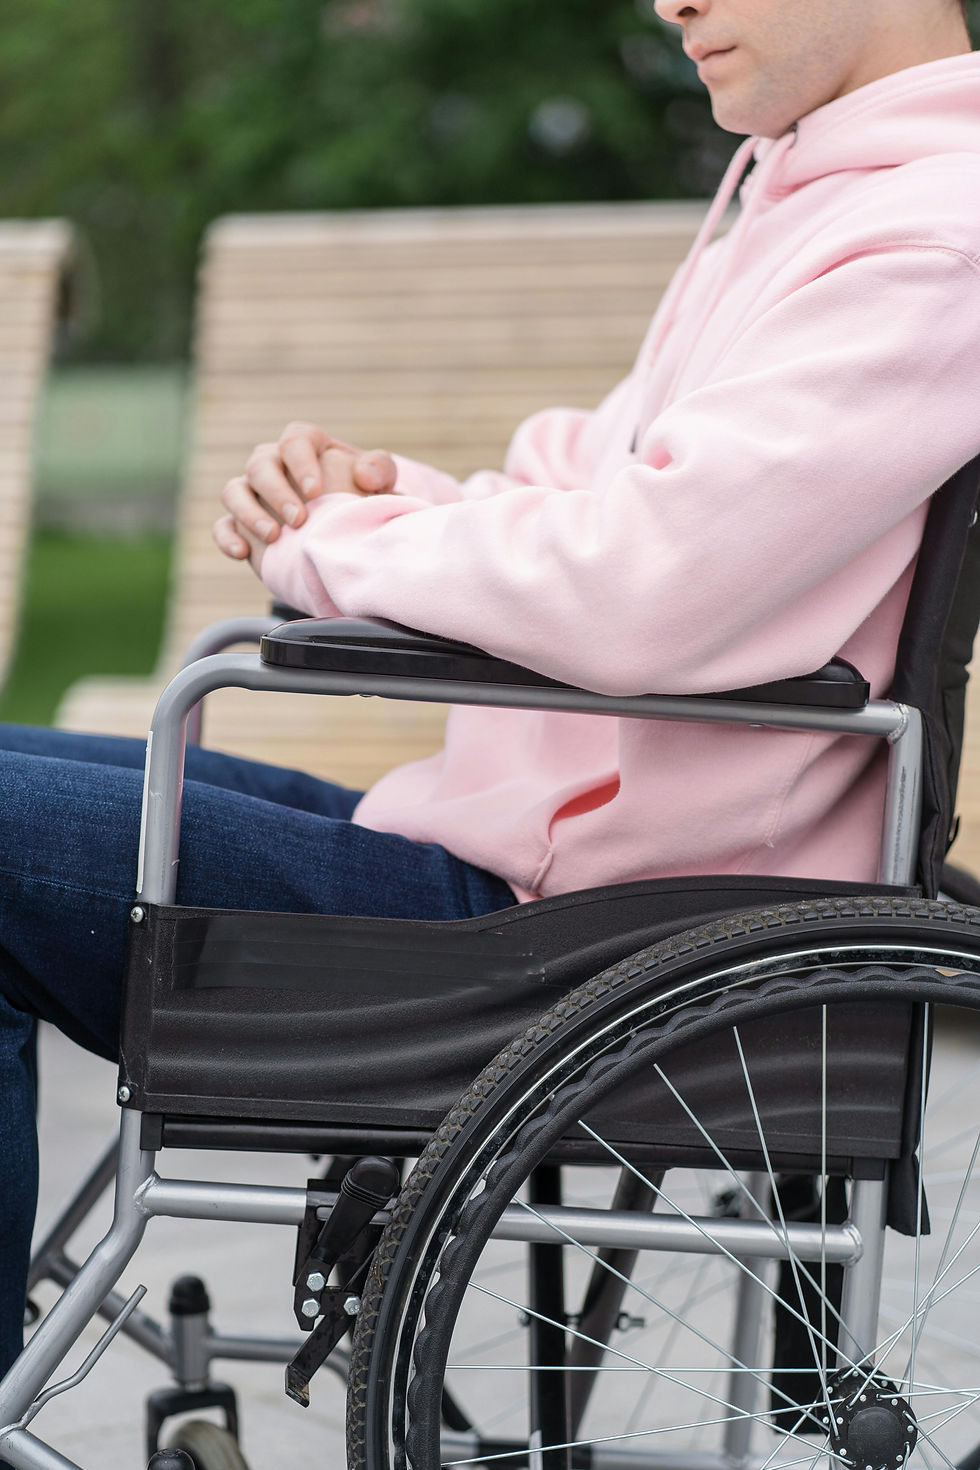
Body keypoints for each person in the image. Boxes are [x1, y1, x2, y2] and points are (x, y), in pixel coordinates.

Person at [1, 0, 978, 1386]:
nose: (669, 1)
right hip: (531, 866)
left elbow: (646, 585)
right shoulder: (812, 185)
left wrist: (338, 546)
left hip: (591, 932)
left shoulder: (931, 233)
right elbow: (595, 492)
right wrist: (388, 502)